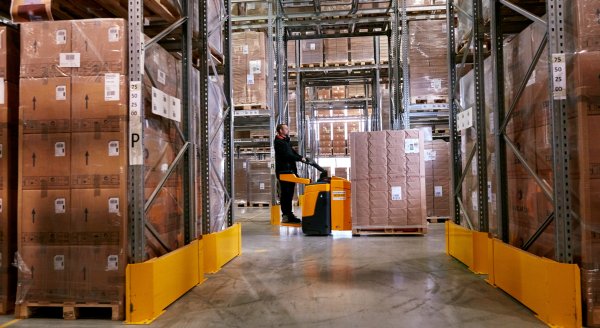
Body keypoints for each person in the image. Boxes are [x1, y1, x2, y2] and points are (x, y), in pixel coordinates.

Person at [274, 123, 305, 224]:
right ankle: (286, 215)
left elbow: (292, 152)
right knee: (286, 194)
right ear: (280, 131)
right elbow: (287, 155)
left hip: (289, 171)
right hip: (284, 171)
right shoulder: (279, 142)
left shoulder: (285, 141)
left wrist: (302, 158)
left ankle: (289, 214)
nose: (288, 130)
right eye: (286, 128)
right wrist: (300, 159)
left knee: (290, 193)